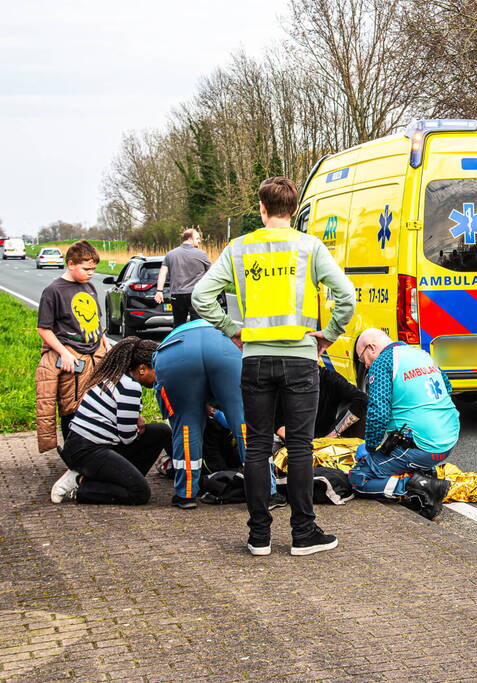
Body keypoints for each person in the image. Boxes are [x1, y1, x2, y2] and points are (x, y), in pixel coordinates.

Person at [191, 176, 356, 557]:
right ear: (295, 210)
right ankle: (303, 533)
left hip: (255, 359)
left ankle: (259, 536)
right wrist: (328, 334)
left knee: (258, 447)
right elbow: (346, 296)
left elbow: (202, 296)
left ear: (261, 208)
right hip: (301, 359)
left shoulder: (240, 248)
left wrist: (232, 329)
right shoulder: (309, 247)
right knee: (299, 446)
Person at [152, 318, 284, 510]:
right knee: (245, 423)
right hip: (225, 344)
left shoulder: (171, 338)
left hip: (174, 351)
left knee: (186, 427)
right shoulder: (225, 327)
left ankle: (185, 494)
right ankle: (266, 492)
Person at [346, 328, 459, 521]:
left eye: (362, 358)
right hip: (449, 437)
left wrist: (371, 448)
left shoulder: (382, 363)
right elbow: (447, 388)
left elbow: (378, 414)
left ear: (371, 348)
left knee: (358, 478)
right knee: (391, 452)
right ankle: (421, 470)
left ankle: (417, 487)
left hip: (422, 444)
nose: (364, 364)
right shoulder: (420, 353)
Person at [49, 337, 172, 505]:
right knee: (140, 493)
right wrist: (137, 425)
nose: (160, 376)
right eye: (157, 370)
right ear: (142, 369)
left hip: (87, 445)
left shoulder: (118, 376)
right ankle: (81, 485)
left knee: (161, 431)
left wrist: (136, 422)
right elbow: (127, 437)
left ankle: (124, 479)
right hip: (86, 451)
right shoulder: (130, 387)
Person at [35, 240, 111, 453]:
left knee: (98, 406)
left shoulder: (90, 286)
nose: (90, 273)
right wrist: (63, 353)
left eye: (93, 269)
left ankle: (97, 453)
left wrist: (104, 344)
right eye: (86, 269)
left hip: (95, 357)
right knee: (72, 408)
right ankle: (74, 456)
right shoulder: (53, 291)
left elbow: (97, 321)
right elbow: (44, 329)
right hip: (72, 359)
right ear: (70, 264)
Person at [274, 365, 368, 442]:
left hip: (325, 439)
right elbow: (275, 420)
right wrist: (298, 443)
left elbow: (362, 399)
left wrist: (335, 432)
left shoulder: (330, 378)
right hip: (295, 440)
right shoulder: (285, 380)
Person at [155, 228, 212, 328]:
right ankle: (195, 342)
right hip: (195, 295)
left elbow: (162, 273)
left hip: (177, 295)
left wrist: (159, 291)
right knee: (197, 324)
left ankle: (180, 342)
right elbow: (211, 274)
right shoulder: (201, 254)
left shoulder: (170, 254)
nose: (199, 241)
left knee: (178, 324)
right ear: (190, 239)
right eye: (197, 238)